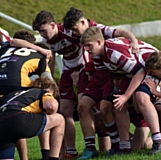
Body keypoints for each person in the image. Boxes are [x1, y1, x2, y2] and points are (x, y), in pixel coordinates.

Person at [62, 7, 140, 159]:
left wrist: (134, 41)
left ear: (84, 22)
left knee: (108, 108)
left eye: (75, 29)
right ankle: (90, 148)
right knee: (83, 107)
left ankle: (119, 144)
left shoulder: (102, 33)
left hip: (114, 74)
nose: (74, 33)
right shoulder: (90, 46)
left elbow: (122, 33)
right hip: (97, 73)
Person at [80, 26, 161, 155]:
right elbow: (106, 76)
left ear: (99, 42)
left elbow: (139, 71)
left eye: (89, 46)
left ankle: (158, 142)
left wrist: (126, 95)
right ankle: (123, 147)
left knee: (141, 98)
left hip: (150, 67)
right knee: (118, 105)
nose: (86, 50)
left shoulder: (113, 52)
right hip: (133, 72)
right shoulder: (98, 54)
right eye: (85, 46)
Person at [32, 10, 90, 159]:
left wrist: (87, 70)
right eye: (40, 32)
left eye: (44, 30)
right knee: (64, 111)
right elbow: (50, 59)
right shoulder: (48, 43)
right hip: (67, 72)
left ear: (53, 25)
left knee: (85, 107)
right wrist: (50, 81)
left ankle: (94, 146)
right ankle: (71, 151)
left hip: (84, 68)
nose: (42, 34)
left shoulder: (70, 31)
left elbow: (89, 41)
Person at [0, 77, 64, 160]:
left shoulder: (12, 95)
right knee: (59, 119)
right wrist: (48, 111)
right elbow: (51, 106)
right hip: (19, 120)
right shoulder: (43, 93)